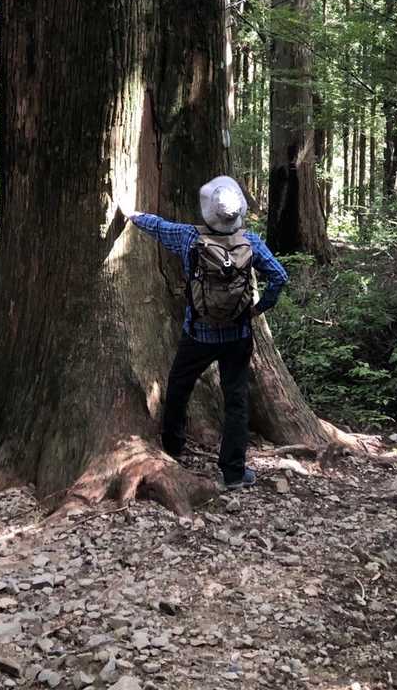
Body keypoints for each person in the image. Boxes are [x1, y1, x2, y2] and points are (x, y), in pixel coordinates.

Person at [120, 174, 289, 490]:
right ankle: (234, 472)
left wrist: (132, 214)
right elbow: (280, 276)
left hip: (198, 333)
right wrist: (258, 308)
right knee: (236, 399)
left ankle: (173, 447)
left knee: (179, 385)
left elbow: (157, 226)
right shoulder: (251, 242)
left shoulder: (188, 237)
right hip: (238, 335)